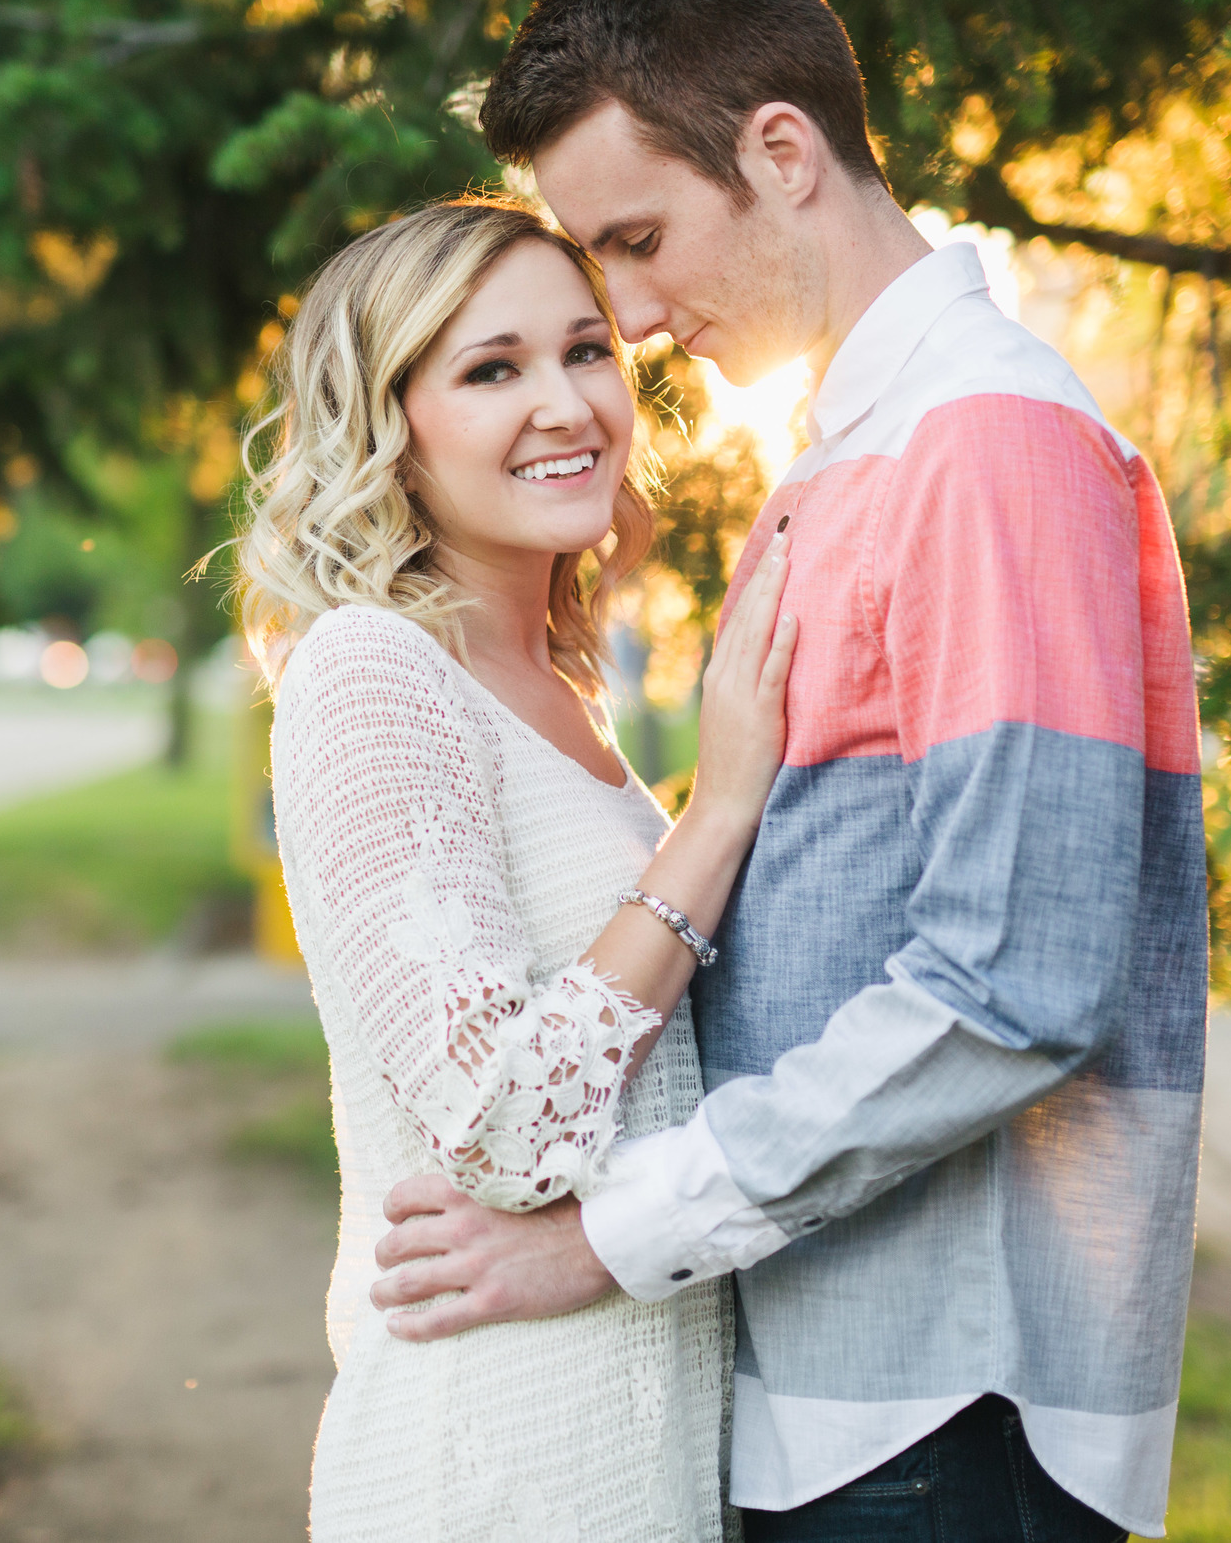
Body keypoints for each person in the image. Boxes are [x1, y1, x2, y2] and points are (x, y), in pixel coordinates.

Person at [367, 0, 1209, 1543]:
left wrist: (604, 1236)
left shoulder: (993, 447)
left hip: (945, 1411)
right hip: (843, 1397)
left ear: (779, 150)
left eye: (637, 239)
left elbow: (1015, 982)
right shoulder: (862, 450)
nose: (633, 314)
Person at [236, 195, 798, 1542]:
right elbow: (498, 1125)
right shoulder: (372, 673)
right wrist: (714, 819)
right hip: (486, 1467)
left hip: (634, 1457)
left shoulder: (560, 692)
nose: (566, 403)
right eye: (491, 370)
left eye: (585, 351)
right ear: (389, 423)